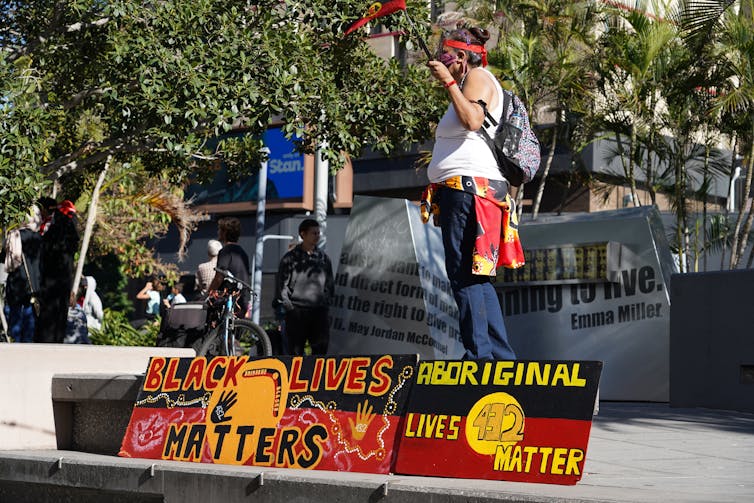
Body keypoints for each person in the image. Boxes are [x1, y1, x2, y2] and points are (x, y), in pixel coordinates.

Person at [423, 25, 518, 360]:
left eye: (445, 57)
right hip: (473, 191)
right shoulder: (470, 81)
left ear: (461, 57)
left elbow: (473, 119)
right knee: (476, 276)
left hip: (468, 191)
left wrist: (450, 83)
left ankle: (479, 357)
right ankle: (499, 358)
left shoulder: (476, 76)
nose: (440, 62)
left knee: (463, 274)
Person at [274, 219, 334, 355]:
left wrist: (325, 304)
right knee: (296, 353)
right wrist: (290, 307)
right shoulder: (290, 259)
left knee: (320, 352)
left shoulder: (323, 258)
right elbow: (282, 286)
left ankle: (318, 377)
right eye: (314, 233)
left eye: (318, 233)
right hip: (297, 312)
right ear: (303, 234)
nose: (317, 236)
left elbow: (329, 284)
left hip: (319, 312)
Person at [36, 199, 80, 343]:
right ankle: (57, 339)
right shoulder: (72, 235)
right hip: (64, 280)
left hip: (49, 279)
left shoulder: (52, 233)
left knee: (48, 311)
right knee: (61, 310)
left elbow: (43, 255)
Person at [1, 207, 43, 343]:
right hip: (33, 284)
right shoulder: (39, 237)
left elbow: (3, 258)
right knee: (29, 314)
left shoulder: (14, 235)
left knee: (15, 313)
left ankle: (15, 341)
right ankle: (27, 343)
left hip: (17, 281)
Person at [208, 217, 251, 316]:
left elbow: (219, 277)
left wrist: (208, 293)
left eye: (220, 230)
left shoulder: (226, 251)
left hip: (228, 300)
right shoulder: (243, 252)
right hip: (242, 299)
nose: (218, 232)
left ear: (225, 232)